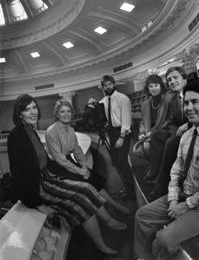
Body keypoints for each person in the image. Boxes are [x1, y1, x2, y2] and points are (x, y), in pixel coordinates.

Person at [7, 94, 128, 256]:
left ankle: (107, 223)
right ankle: (101, 243)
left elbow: (47, 160)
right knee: (81, 195)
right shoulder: (16, 136)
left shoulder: (31, 131)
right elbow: (19, 174)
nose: (32, 112)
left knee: (86, 187)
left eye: (34, 107)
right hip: (40, 186)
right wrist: (37, 203)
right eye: (27, 109)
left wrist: (78, 169)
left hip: (48, 176)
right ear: (19, 113)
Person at [134, 81, 199, 260]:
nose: (189, 107)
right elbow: (176, 172)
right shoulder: (187, 135)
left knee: (163, 239)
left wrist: (187, 205)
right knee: (142, 216)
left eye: (194, 102)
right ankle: (142, 256)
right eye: (186, 103)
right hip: (183, 195)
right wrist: (173, 199)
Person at [46, 99, 130, 214]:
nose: (66, 114)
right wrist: (80, 171)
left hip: (68, 161)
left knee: (93, 176)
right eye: (62, 112)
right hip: (57, 167)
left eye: (68, 111)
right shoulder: (51, 131)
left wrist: (84, 166)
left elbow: (77, 150)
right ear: (56, 114)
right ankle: (109, 215)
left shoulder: (70, 129)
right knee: (86, 184)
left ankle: (113, 206)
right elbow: (60, 159)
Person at [89, 75, 135, 199]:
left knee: (122, 162)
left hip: (123, 132)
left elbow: (126, 120)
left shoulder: (123, 98)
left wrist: (121, 137)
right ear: (102, 87)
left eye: (110, 84)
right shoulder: (103, 101)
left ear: (114, 84)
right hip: (112, 132)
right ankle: (127, 187)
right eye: (105, 85)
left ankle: (132, 191)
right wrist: (93, 105)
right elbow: (100, 116)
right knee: (117, 163)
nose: (107, 87)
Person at [144, 67, 188, 182]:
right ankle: (154, 170)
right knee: (156, 135)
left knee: (168, 141)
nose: (172, 81)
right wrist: (146, 133)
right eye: (169, 79)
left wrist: (188, 125)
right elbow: (172, 119)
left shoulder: (172, 97)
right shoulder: (175, 98)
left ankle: (161, 178)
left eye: (175, 77)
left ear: (184, 78)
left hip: (190, 129)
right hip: (173, 129)